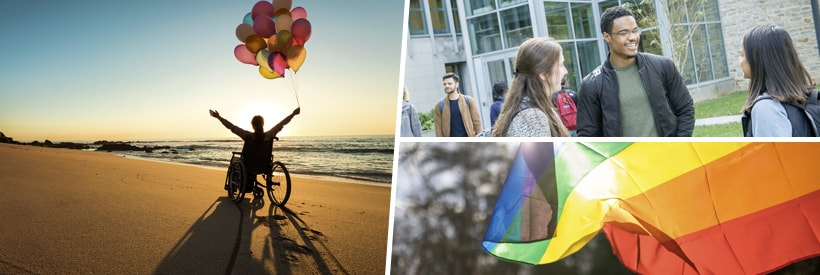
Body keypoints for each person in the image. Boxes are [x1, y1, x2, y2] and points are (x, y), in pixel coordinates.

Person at [576, 6, 694, 137]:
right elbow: (588, 135)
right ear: (607, 37)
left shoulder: (662, 66)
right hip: (624, 158)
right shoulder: (593, 84)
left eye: (635, 31)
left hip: (667, 155)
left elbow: (685, 110)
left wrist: (677, 146)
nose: (632, 37)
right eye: (623, 33)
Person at [739, 24, 817, 137]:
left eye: (742, 55)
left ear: (759, 60)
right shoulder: (808, 98)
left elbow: (772, 154)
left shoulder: (766, 108)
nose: (740, 60)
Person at [492, 37, 570, 137]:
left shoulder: (533, 110)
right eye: (561, 65)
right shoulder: (532, 118)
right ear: (543, 74)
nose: (565, 71)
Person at [210, 107, 300, 190]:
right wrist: (293, 114)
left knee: (234, 161)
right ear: (263, 124)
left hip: (248, 165)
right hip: (264, 166)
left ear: (253, 125)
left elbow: (231, 127)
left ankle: (233, 186)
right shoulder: (269, 135)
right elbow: (282, 123)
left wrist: (219, 117)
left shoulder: (247, 136)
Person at [434, 73, 482, 137]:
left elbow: (477, 123)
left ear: (457, 84)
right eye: (444, 84)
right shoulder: (439, 105)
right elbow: (438, 129)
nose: (446, 86)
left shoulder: (469, 100)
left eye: (449, 83)